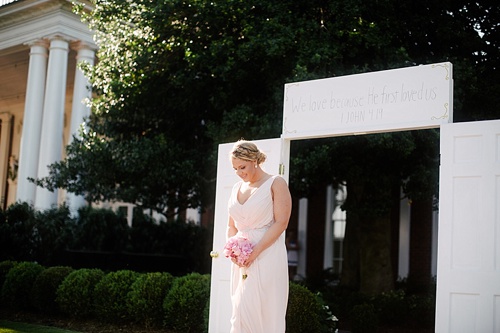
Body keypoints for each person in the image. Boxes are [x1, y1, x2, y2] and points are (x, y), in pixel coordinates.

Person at [227, 139, 292, 333]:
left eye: (243, 167)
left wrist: (254, 253)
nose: (239, 173)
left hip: (266, 254)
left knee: (265, 309)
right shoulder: (235, 188)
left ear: (255, 160)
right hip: (241, 260)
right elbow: (230, 226)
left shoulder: (276, 183)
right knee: (239, 309)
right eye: (235, 169)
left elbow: (282, 222)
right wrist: (233, 251)